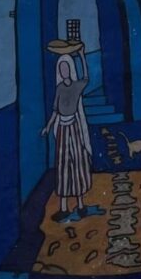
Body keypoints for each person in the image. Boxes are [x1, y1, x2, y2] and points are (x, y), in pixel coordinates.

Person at [42, 40, 96, 222]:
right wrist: (48, 126)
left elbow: (87, 78)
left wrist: (81, 56)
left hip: (74, 128)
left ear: (70, 69)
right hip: (63, 131)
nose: (64, 71)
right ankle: (63, 207)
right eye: (61, 68)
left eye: (66, 68)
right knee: (64, 166)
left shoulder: (76, 86)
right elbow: (55, 111)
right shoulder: (59, 89)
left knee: (78, 164)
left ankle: (80, 205)